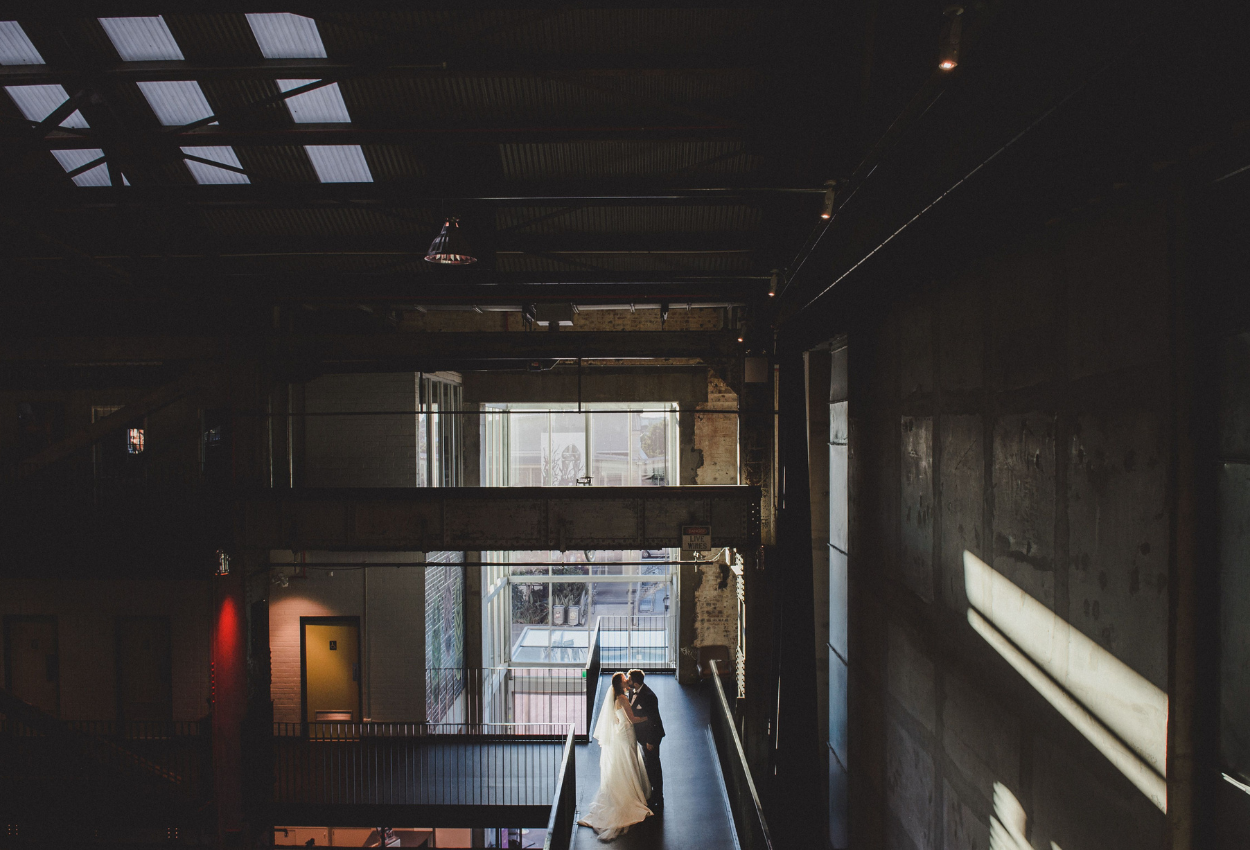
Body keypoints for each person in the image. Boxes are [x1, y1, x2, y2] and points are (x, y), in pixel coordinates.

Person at [577, 672, 654, 840]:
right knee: (630, 760)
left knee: (625, 763)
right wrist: (647, 718)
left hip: (621, 734)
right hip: (627, 735)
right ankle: (633, 793)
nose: (628, 681)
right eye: (625, 680)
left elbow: (616, 718)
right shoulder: (623, 699)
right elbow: (632, 719)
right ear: (620, 684)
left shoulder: (615, 699)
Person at [628, 669, 665, 812]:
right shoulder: (632, 692)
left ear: (635, 683)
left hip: (651, 736)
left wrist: (650, 741)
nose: (627, 682)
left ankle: (658, 796)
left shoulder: (649, 696)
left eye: (629, 680)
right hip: (641, 736)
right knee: (647, 765)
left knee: (654, 766)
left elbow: (654, 721)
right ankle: (651, 793)